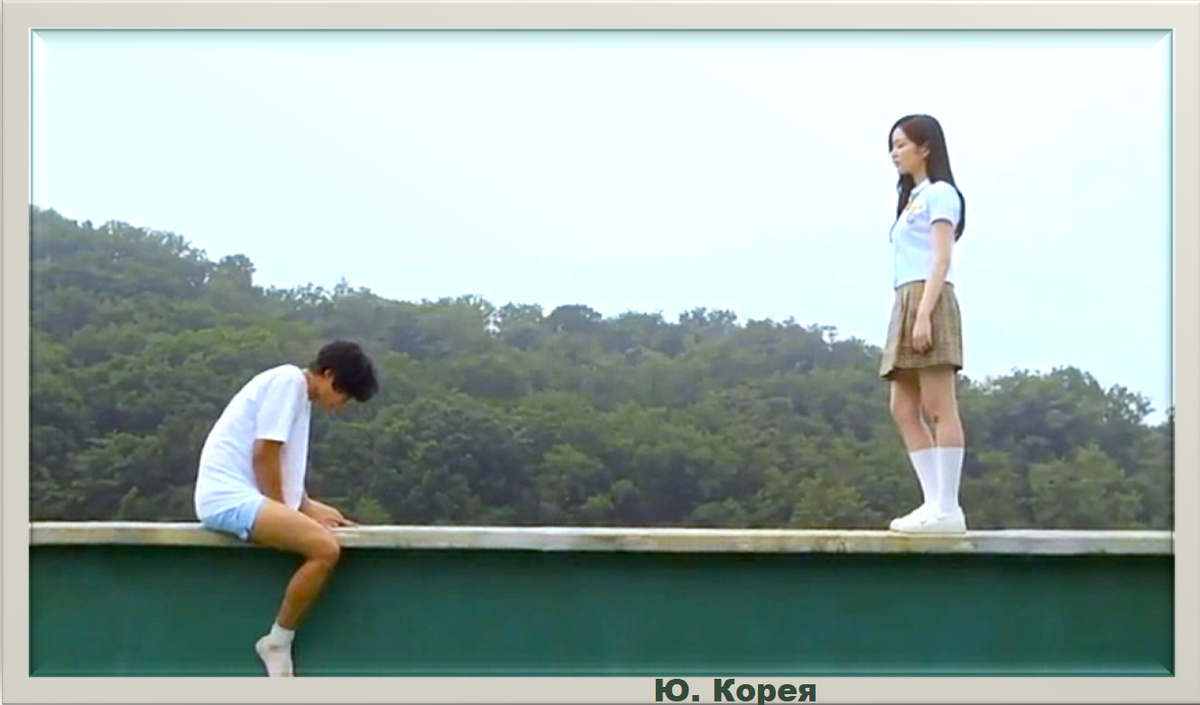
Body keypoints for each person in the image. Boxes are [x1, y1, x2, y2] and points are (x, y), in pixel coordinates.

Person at [193, 339, 380, 676]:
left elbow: (281, 463)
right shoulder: (289, 382)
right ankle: (277, 641)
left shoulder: (298, 395)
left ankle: (278, 641)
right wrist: (285, 514)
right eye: (344, 394)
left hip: (240, 496)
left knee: (328, 530)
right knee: (325, 549)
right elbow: (264, 454)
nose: (342, 404)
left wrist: (306, 506)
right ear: (328, 374)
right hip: (227, 498)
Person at [879, 114, 969, 534]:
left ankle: (948, 508)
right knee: (902, 408)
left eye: (902, 144)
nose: (895, 153)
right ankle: (932, 503)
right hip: (905, 297)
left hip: (928, 297)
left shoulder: (941, 194)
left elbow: (942, 258)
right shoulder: (912, 199)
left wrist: (923, 315)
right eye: (892, 146)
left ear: (925, 147)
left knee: (938, 406)